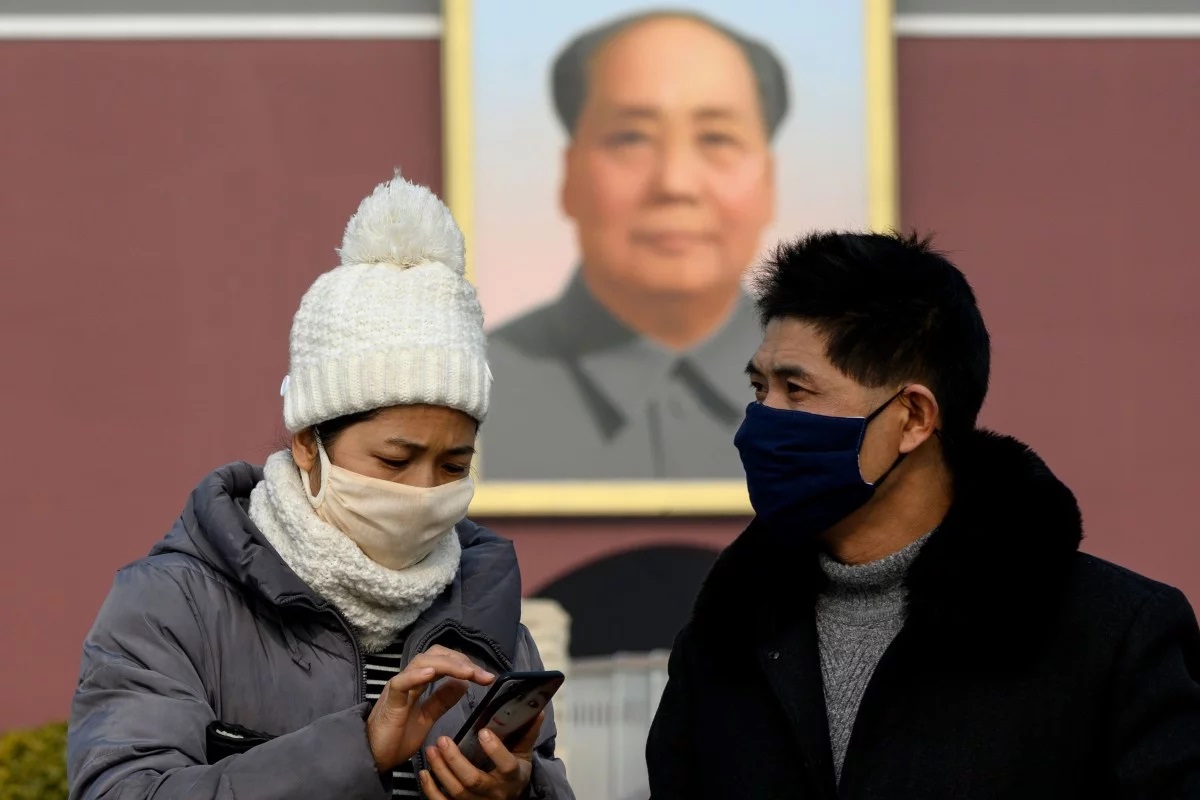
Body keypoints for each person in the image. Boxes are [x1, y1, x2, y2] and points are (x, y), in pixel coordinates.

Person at [67, 175, 573, 800]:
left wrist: (517, 792)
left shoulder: (489, 611)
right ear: (308, 442)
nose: (423, 492)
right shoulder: (176, 604)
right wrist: (355, 751)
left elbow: (545, 776)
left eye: (453, 465)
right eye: (394, 460)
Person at [646, 232, 1200, 798]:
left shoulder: (1114, 638)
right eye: (759, 388)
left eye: (797, 389)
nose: (761, 421)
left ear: (912, 417)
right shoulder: (722, 642)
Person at [485, 10, 787, 480]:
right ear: (569, 176)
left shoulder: (839, 398)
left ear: (769, 182)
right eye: (631, 138)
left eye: (717, 138)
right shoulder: (474, 392)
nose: (675, 183)